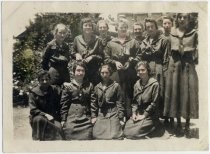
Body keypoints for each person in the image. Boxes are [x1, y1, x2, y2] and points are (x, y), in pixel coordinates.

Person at [163, 13, 198, 137]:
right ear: (177, 19)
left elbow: (198, 53)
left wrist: (193, 56)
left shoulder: (194, 33)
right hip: (175, 67)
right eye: (180, 17)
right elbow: (167, 54)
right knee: (175, 94)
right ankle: (177, 124)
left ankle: (187, 124)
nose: (182, 19)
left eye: (185, 17)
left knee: (187, 93)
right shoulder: (171, 33)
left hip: (188, 67)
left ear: (189, 19)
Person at [104, 21, 140, 120]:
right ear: (117, 29)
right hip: (116, 73)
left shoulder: (133, 42)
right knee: (117, 92)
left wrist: (131, 62)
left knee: (129, 93)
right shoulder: (111, 43)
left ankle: (129, 116)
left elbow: (139, 56)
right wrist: (114, 62)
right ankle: (117, 116)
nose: (123, 29)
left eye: (125, 27)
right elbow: (106, 58)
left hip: (129, 73)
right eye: (121, 27)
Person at [124, 61, 165, 139]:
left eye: (143, 70)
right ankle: (146, 130)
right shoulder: (137, 84)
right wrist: (134, 113)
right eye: (138, 70)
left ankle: (155, 127)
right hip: (140, 112)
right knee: (126, 130)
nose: (140, 72)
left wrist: (144, 115)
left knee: (134, 133)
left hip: (151, 114)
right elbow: (135, 102)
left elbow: (154, 103)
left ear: (148, 70)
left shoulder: (154, 84)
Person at [139, 18, 170, 117]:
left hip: (159, 68)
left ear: (156, 27)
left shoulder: (163, 39)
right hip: (147, 70)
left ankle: (163, 116)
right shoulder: (144, 41)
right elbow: (141, 57)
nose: (150, 29)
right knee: (149, 92)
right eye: (148, 27)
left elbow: (166, 57)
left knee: (160, 92)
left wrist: (165, 72)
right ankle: (151, 116)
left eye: (152, 26)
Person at [60, 62, 93, 140]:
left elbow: (93, 102)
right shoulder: (68, 86)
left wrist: (93, 116)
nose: (80, 73)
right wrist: (63, 119)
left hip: (85, 115)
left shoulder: (90, 85)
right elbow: (64, 104)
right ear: (73, 72)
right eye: (78, 70)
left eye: (83, 70)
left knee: (88, 133)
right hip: (72, 115)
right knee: (69, 131)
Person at [91, 64, 125, 140]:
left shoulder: (116, 85)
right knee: (96, 135)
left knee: (116, 135)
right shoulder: (97, 87)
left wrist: (121, 117)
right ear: (100, 74)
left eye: (106, 72)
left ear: (110, 73)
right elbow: (94, 103)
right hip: (101, 113)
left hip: (113, 113)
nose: (104, 75)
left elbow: (120, 102)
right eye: (102, 73)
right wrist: (93, 116)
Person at [29, 70, 63, 140]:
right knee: (38, 120)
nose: (45, 81)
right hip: (38, 117)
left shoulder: (54, 89)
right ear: (38, 80)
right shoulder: (34, 92)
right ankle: (38, 140)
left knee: (59, 129)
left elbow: (63, 96)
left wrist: (66, 84)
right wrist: (45, 115)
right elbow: (33, 109)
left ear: (50, 80)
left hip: (52, 117)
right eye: (42, 80)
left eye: (47, 79)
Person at [72, 17, 103, 86]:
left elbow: (102, 56)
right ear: (82, 27)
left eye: (90, 25)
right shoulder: (77, 39)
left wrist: (93, 57)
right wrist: (76, 54)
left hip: (94, 71)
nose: (88, 27)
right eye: (85, 25)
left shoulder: (98, 39)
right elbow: (72, 52)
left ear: (92, 28)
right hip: (81, 71)